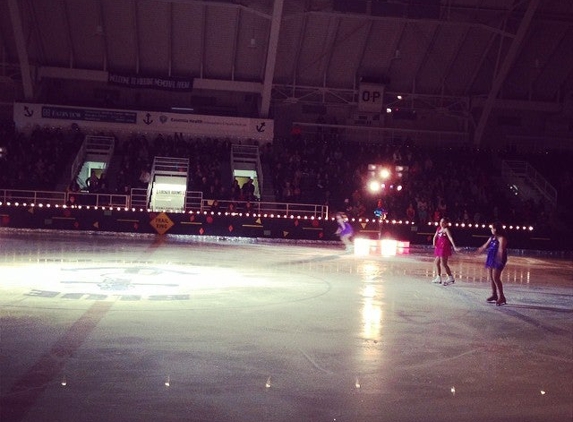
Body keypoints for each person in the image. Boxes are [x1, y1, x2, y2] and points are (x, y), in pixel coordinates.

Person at [477, 222, 508, 306]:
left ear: (496, 229)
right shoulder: (492, 238)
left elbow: (501, 249)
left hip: (499, 258)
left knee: (496, 278)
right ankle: (494, 295)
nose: (491, 229)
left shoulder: (502, 238)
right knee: (492, 277)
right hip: (491, 258)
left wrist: (499, 258)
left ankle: (502, 297)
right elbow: (485, 246)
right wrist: (480, 250)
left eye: (492, 228)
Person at [432, 217, 460, 285]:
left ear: (446, 223)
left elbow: (450, 238)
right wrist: (434, 244)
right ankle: (438, 277)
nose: (441, 223)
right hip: (439, 247)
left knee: (444, 264)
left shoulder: (446, 230)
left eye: (443, 222)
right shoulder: (438, 229)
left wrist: (454, 247)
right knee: (436, 262)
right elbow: (435, 236)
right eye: (441, 222)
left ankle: (450, 277)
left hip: (444, 247)